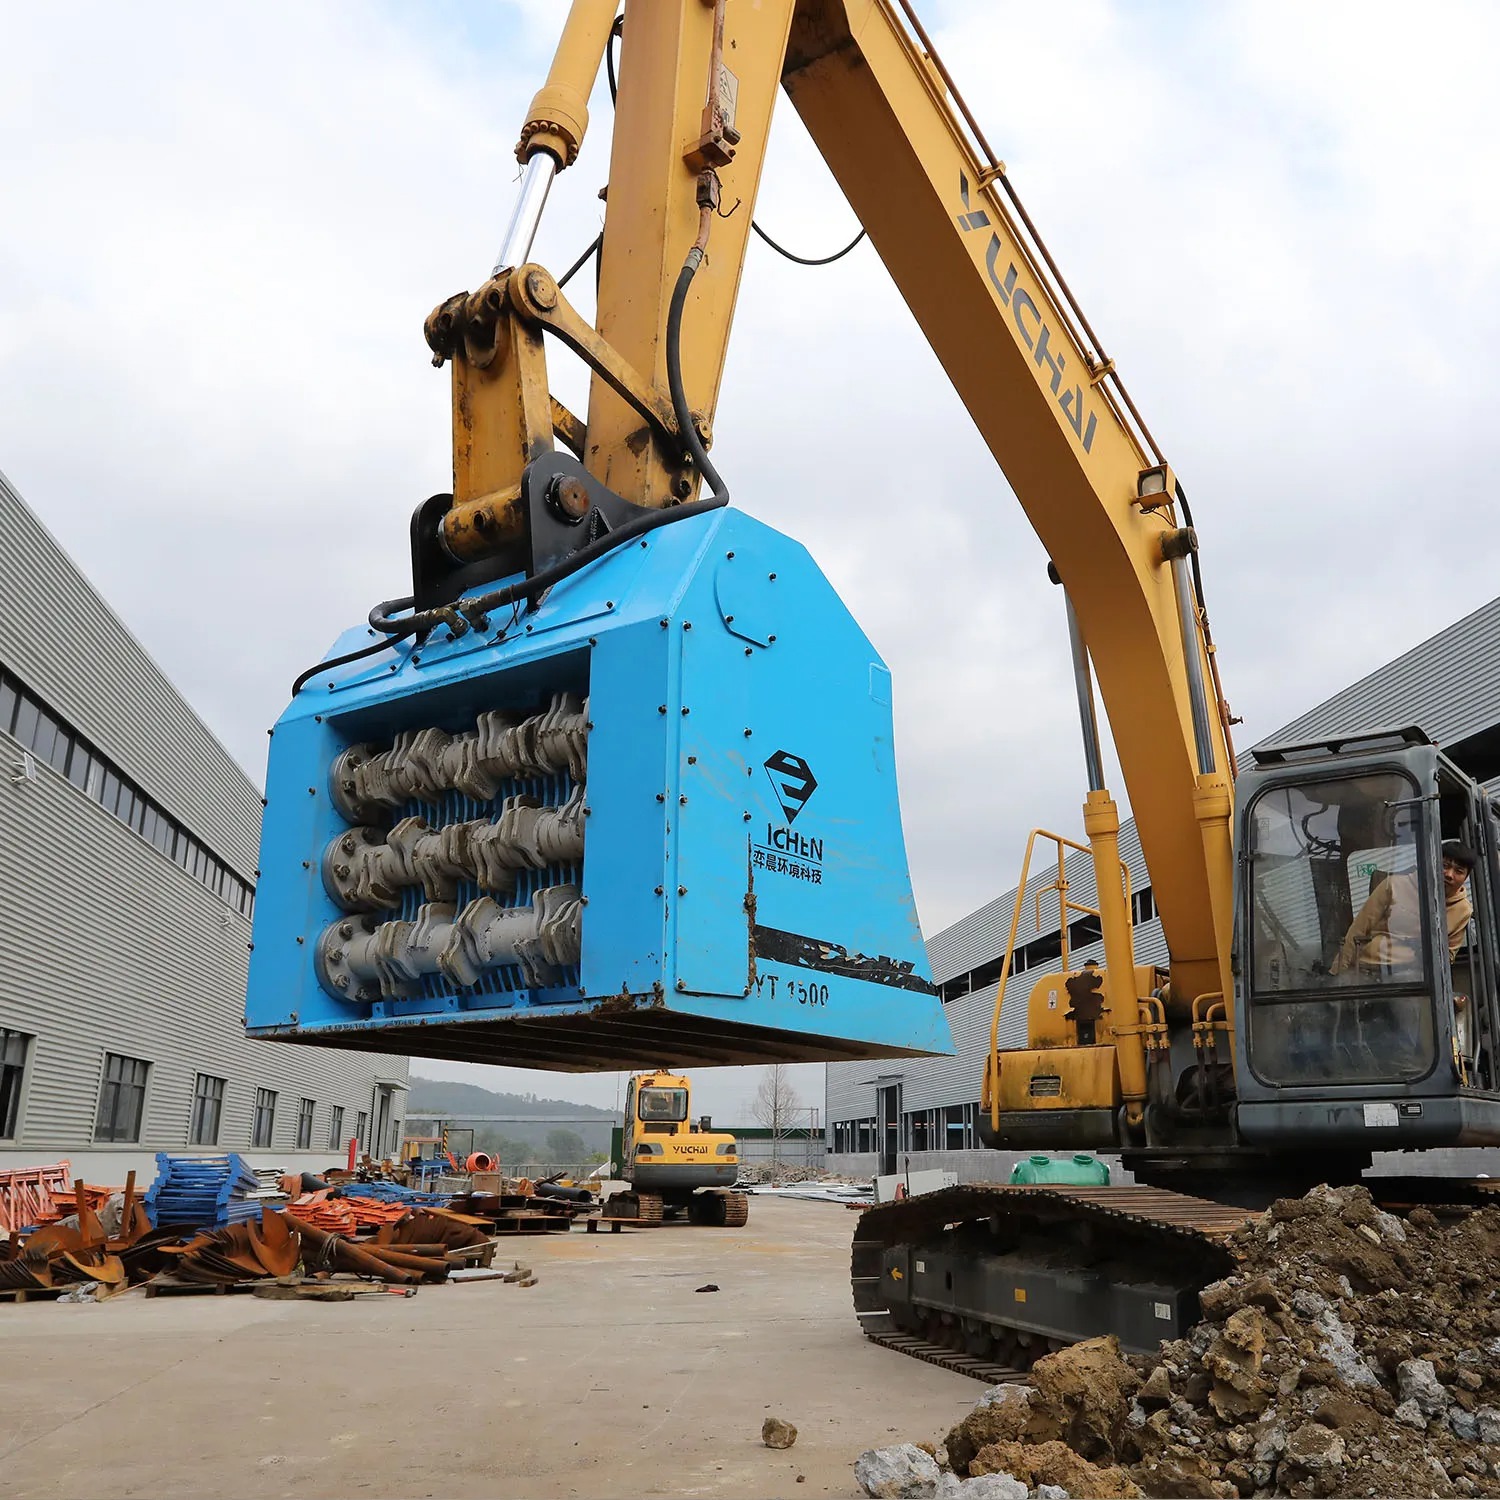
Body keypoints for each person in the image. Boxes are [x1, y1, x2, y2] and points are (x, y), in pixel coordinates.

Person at [1330, 839, 1476, 976]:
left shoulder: (1463, 910)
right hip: (1369, 968)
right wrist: (1338, 973)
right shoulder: (1393, 886)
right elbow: (1358, 929)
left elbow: (1447, 957)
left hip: (1415, 976)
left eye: (1459, 871)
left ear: (1466, 877)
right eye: (1444, 866)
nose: (1449, 874)